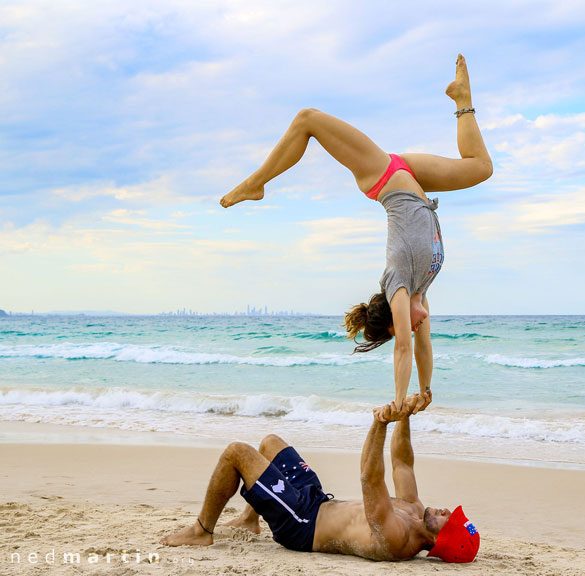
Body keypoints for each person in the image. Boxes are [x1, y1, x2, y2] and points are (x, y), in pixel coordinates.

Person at [220, 55, 492, 414]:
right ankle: (461, 98)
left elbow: (405, 348)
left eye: (408, 327)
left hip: (382, 175)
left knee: (307, 119)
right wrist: (425, 392)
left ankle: (255, 184)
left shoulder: (399, 283)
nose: (421, 324)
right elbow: (423, 348)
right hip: (408, 175)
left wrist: (397, 404)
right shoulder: (420, 294)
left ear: (397, 325)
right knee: (480, 168)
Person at [160, 392, 479, 563]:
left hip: (302, 525)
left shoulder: (398, 540)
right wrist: (406, 415)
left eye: (449, 521)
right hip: (316, 500)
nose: (446, 511)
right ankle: (248, 518)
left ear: (440, 541)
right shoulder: (414, 508)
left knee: (237, 453)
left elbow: (370, 479)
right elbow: (402, 464)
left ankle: (202, 531)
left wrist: (380, 422)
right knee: (271, 443)